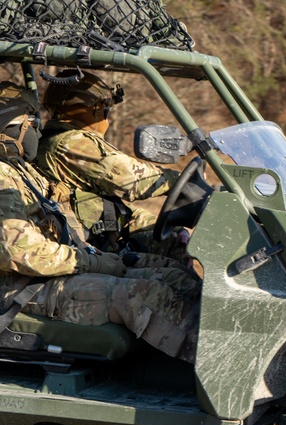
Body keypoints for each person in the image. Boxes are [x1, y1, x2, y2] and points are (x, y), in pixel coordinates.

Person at [0, 82, 199, 362]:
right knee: (144, 293)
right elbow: (21, 252)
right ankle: (218, 372)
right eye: (32, 122)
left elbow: (65, 206)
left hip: (52, 274)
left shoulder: (20, 172)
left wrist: (95, 255)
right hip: (21, 289)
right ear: (10, 127)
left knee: (176, 278)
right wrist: (91, 261)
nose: (39, 129)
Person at [36, 70, 198, 259]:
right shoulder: (70, 143)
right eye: (104, 110)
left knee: (177, 236)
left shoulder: (61, 139)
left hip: (103, 232)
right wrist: (178, 180)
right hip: (91, 249)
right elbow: (131, 179)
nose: (107, 118)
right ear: (89, 110)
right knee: (177, 278)